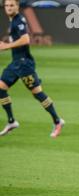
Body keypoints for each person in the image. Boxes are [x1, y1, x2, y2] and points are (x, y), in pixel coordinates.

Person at [0, 0, 64, 137]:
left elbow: (25, 40)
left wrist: (6, 46)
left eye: (12, 5)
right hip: (15, 63)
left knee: (37, 93)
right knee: (1, 88)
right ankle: (11, 121)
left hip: (24, 65)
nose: (9, 8)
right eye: (7, 5)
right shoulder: (13, 21)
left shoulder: (19, 21)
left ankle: (58, 121)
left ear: (17, 6)